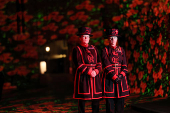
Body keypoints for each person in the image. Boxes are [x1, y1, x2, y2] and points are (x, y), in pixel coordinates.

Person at [72, 27, 102, 113]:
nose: (86, 38)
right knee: (82, 100)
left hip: (95, 77)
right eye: (84, 36)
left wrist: (96, 71)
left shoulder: (94, 48)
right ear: (80, 38)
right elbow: (78, 63)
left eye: (87, 36)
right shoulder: (77, 49)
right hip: (83, 77)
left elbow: (99, 62)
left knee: (96, 100)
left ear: (89, 38)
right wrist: (89, 72)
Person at [101, 28, 129, 113]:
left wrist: (121, 75)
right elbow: (106, 65)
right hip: (109, 81)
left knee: (120, 105)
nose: (113, 40)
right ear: (108, 39)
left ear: (117, 39)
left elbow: (124, 65)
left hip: (120, 81)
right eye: (111, 38)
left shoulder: (121, 50)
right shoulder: (105, 50)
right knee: (110, 106)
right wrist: (114, 76)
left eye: (114, 38)